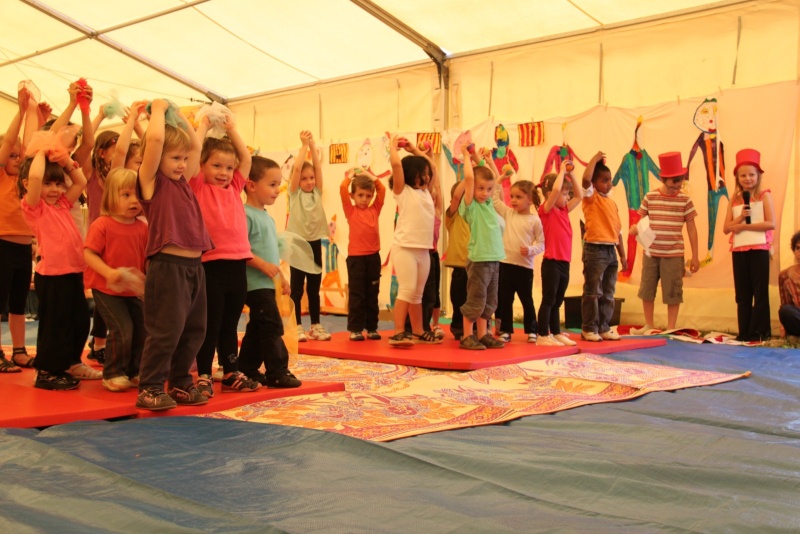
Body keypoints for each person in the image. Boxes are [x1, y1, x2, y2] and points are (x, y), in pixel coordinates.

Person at [135, 99, 213, 411]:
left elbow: (195, 145)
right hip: (168, 266)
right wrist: (158, 109)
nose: (182, 164)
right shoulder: (152, 182)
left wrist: (177, 113)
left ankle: (180, 381)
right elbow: (154, 140)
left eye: (184, 159)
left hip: (194, 266)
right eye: (174, 158)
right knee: (166, 330)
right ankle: (151, 386)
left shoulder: (183, 183)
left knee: (194, 329)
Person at [190, 114, 261, 397]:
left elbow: (246, 159)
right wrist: (204, 126)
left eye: (229, 168)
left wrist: (232, 130)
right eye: (216, 166)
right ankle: (205, 373)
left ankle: (231, 370)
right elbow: (195, 153)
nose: (224, 172)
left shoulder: (234, 188)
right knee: (211, 323)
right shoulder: (197, 186)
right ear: (202, 166)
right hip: (210, 265)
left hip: (237, 264)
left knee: (231, 323)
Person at [19, 148, 90, 390]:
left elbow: (80, 180)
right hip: (52, 275)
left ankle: (69, 362)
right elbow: (36, 178)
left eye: (58, 184)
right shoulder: (35, 207)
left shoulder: (61, 204)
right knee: (55, 325)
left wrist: (65, 160)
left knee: (80, 321)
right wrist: (40, 152)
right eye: (48, 184)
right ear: (28, 184)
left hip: (72, 272)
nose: (55, 189)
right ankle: (48, 371)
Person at [238, 156, 302, 388]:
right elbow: (240, 248)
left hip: (267, 282)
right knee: (272, 324)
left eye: (278, 184)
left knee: (258, 326)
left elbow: (271, 253)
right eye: (272, 184)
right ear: (251, 185)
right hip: (253, 283)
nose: (277, 190)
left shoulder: (266, 216)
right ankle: (277, 370)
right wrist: (262, 266)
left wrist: (280, 277)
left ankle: (246, 367)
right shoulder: (245, 214)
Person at [83, 168, 148, 391]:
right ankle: (112, 372)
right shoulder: (102, 225)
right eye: (126, 195)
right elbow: (89, 253)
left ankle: (133, 370)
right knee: (122, 328)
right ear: (111, 197)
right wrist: (109, 272)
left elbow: (146, 258)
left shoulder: (142, 228)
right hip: (106, 289)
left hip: (132, 290)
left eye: (137, 196)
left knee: (142, 329)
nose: (134, 201)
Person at [630, 152, 699, 333]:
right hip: (651, 253)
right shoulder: (650, 197)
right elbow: (639, 221)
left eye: (680, 181)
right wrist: (634, 229)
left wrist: (696, 256)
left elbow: (692, 228)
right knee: (647, 288)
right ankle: (649, 325)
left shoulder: (685, 200)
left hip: (674, 254)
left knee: (673, 292)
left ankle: (670, 327)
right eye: (674, 181)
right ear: (663, 179)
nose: (678, 185)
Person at [386, 133, 441, 347]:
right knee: (407, 290)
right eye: (421, 174)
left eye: (426, 175)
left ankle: (418, 330)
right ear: (411, 176)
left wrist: (415, 150)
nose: (426, 178)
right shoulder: (403, 191)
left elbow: (433, 168)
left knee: (418, 293)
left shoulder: (426, 193)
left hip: (423, 250)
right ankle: (398, 331)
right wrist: (393, 147)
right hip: (405, 249)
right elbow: (397, 166)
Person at [0, 84, 37, 372]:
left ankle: (20, 351)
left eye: (18, 157)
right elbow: (11, 141)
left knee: (18, 303)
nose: (17, 159)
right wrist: (21, 111)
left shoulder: (24, 182)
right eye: (12, 156)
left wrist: (34, 116)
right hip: (3, 245)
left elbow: (31, 148)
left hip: (24, 247)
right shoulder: (1, 177)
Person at [722, 148, 775, 342]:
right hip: (739, 250)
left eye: (751, 175)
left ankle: (760, 333)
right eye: (743, 175)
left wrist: (747, 226)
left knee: (760, 292)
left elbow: (771, 223)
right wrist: (740, 220)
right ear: (737, 177)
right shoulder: (734, 199)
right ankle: (744, 332)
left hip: (759, 249)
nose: (748, 179)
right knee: (742, 293)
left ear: (758, 176)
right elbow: (726, 228)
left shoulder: (764, 195)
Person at [458, 147, 506, 350]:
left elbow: (493, 179)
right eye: (480, 189)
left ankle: (483, 333)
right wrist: (468, 157)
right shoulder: (471, 206)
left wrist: (483, 159)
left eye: (488, 190)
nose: (485, 193)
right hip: (479, 260)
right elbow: (470, 178)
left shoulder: (487, 204)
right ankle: (467, 336)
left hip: (494, 259)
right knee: (476, 299)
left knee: (489, 301)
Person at [287, 131, 331, 342]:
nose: (309, 181)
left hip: (314, 243)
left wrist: (313, 145)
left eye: (311, 177)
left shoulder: (317, 192)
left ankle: (315, 325)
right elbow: (297, 168)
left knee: (314, 288)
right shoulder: (294, 193)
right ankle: (296, 326)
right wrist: (303, 145)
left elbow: (319, 167)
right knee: (296, 288)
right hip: (297, 243)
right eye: (304, 178)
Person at [492, 171, 544, 343]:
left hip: (524, 268)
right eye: (512, 196)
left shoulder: (534, 221)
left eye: (519, 197)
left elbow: (542, 244)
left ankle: (532, 330)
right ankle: (506, 330)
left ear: (529, 199)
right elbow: (494, 199)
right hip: (506, 264)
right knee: (505, 300)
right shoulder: (508, 213)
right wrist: (500, 179)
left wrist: (530, 250)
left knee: (526, 300)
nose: (513, 200)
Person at [580, 151, 626, 342]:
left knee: (608, 292)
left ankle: (604, 326)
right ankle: (589, 327)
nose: (608, 184)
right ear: (595, 183)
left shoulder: (612, 203)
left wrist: (622, 255)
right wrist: (595, 158)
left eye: (610, 180)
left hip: (611, 251)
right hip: (595, 250)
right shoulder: (591, 198)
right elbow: (585, 179)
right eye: (604, 180)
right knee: (593, 292)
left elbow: (618, 232)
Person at [536, 160, 583, 346]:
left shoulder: (563, 210)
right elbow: (555, 192)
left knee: (558, 300)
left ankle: (555, 332)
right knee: (548, 299)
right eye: (564, 194)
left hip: (564, 262)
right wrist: (561, 171)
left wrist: (571, 176)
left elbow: (579, 196)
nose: (566, 197)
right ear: (550, 195)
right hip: (551, 262)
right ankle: (542, 335)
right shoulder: (545, 210)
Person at [339, 167, 385, 341]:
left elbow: (382, 189)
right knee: (357, 294)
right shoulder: (350, 211)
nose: (364, 199)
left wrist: (371, 176)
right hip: (356, 259)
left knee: (372, 294)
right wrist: (351, 176)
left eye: (368, 196)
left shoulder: (375, 210)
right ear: (353, 196)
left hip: (373, 257)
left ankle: (372, 327)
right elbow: (343, 189)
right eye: (360, 195)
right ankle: (355, 329)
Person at [444, 181, 470, 341]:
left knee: (474, 299)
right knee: (459, 299)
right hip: (460, 266)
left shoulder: (475, 214)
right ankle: (458, 327)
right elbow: (456, 196)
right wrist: (469, 177)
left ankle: (473, 327)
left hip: (476, 265)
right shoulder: (453, 216)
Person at [778, 230, 800, 340]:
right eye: (798, 248)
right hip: (798, 317)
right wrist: (783, 325)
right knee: (785, 311)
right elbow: (785, 304)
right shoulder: (784, 276)